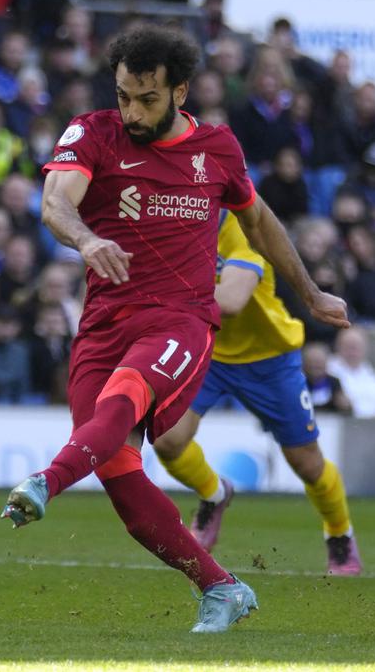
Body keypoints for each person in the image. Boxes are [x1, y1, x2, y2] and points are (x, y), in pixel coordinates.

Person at [0, 25, 350, 633]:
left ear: (180, 92)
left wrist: (310, 291)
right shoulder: (93, 132)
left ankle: (45, 481)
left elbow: (260, 223)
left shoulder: (218, 149)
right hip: (104, 325)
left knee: (121, 402)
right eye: (124, 96)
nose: (131, 112)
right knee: (123, 486)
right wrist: (85, 237)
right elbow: (56, 202)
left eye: (147, 99)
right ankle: (222, 587)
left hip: (180, 320)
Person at [151, 209, 361, 575]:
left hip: (269, 360)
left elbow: (231, 301)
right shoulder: (171, 222)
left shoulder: (243, 228)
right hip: (209, 353)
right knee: (167, 439)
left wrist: (162, 292)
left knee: (307, 464)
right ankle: (215, 492)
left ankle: (339, 533)